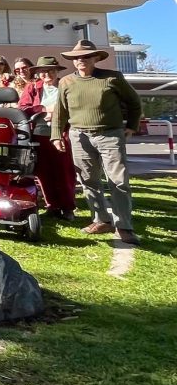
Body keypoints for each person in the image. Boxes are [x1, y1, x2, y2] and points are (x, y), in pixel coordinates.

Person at [51, 40, 142, 244]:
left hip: (110, 135)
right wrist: (56, 135)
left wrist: (132, 126)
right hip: (79, 135)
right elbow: (60, 111)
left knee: (118, 181)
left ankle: (124, 226)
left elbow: (134, 103)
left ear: (96, 58)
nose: (81, 60)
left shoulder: (112, 78)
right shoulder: (66, 82)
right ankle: (101, 220)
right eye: (77, 58)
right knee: (88, 180)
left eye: (86, 56)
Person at [18, 55, 78, 221]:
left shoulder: (66, 85)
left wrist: (58, 113)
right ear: (38, 73)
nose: (47, 74)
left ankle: (67, 207)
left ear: (57, 71)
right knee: (44, 172)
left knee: (64, 171)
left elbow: (76, 105)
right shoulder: (32, 87)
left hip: (62, 132)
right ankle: (52, 205)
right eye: (43, 71)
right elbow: (23, 108)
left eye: (51, 71)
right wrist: (44, 109)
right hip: (39, 134)